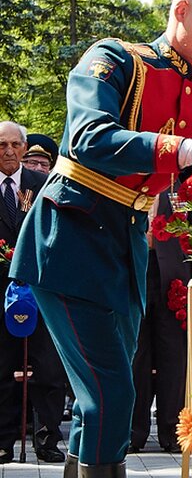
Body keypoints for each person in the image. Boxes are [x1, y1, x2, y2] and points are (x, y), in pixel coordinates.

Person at [8, 0, 192, 478]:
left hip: (127, 245)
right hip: (71, 235)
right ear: (180, 10)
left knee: (99, 398)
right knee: (111, 389)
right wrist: (186, 148)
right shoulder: (116, 59)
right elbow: (88, 137)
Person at [129, 189, 192, 454]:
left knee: (174, 358)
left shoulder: (179, 190)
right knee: (135, 358)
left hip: (174, 279)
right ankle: (133, 432)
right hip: (135, 276)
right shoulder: (126, 184)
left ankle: (171, 430)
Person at [0, 121, 66, 464]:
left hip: (39, 288)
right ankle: (3, 439)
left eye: (15, 145)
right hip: (1, 292)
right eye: (2, 145)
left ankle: (48, 439)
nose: (9, 151)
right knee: (2, 367)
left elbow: (58, 231)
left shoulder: (44, 185)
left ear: (24, 149)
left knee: (49, 369)